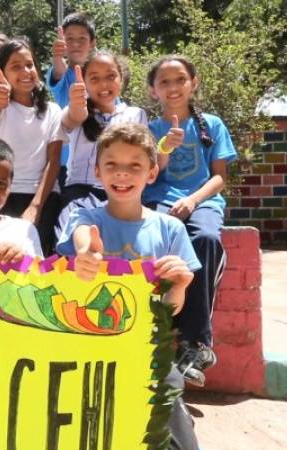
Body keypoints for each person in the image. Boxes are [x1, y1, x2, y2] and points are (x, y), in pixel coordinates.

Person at [57, 122, 200, 450]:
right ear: (97, 172)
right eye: (112, 165)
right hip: (89, 347)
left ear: (151, 173)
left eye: (134, 165)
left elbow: (171, 309)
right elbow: (82, 240)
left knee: (171, 410)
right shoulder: (86, 219)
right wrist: (85, 254)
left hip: (148, 350)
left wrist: (179, 285)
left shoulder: (171, 230)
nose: (122, 174)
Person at [144, 55, 237, 387]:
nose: (173, 87)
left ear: (193, 83)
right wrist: (164, 147)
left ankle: (195, 344)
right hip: (158, 203)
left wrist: (193, 199)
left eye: (180, 79)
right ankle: (149, 332)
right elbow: (151, 173)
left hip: (203, 201)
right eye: (164, 82)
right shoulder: (151, 129)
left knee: (206, 238)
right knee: (149, 244)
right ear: (153, 91)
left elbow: (219, 177)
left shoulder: (211, 125)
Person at [0, 37, 66, 255]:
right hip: (4, 194)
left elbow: (53, 162)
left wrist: (36, 207)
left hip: (44, 196)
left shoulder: (53, 111)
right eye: (16, 67)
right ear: (1, 73)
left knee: (33, 259)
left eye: (29, 65)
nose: (25, 71)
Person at [55, 50, 147, 240]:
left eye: (111, 76)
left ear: (121, 78)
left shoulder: (136, 115)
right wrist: (76, 105)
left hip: (122, 190)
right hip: (80, 192)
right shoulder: (76, 111)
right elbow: (71, 119)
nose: (104, 84)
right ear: (85, 83)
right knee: (70, 237)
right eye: (94, 78)